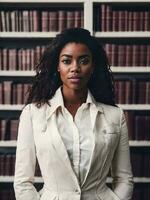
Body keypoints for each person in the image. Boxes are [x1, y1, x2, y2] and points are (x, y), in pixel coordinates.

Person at [14, 27, 133, 200]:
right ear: (58, 66)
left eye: (84, 61)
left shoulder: (115, 116)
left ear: (93, 67)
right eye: (67, 61)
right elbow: (23, 181)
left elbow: (124, 178)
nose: (75, 68)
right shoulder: (33, 114)